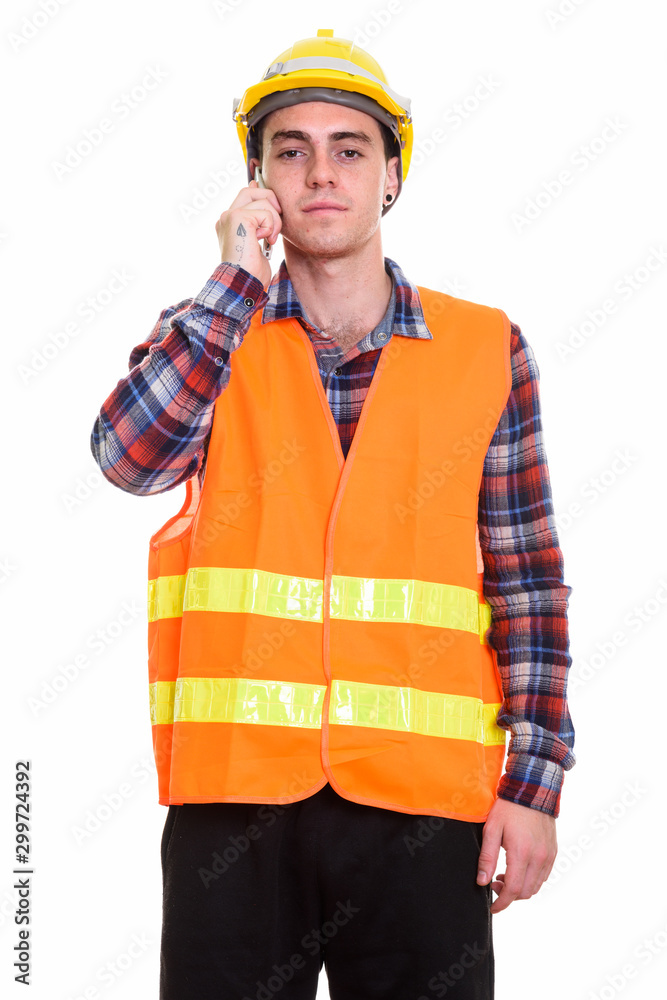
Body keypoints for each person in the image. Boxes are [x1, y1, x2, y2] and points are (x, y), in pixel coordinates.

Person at [90, 28, 575, 1000]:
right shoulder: (208, 334)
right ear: (258, 180)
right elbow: (128, 458)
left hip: (424, 808)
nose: (322, 172)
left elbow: (527, 579)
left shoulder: (486, 348)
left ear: (390, 175)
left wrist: (534, 787)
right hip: (233, 806)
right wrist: (234, 277)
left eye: (349, 149)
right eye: (291, 150)